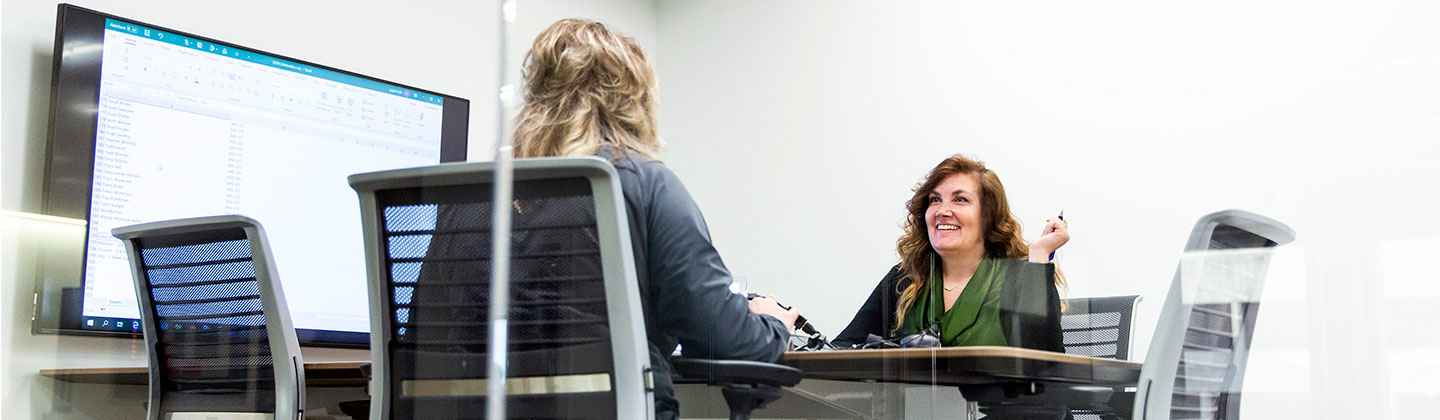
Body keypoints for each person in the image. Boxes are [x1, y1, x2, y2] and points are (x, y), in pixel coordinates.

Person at [513, 19, 799, 419]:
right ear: (635, 100)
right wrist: (772, 322)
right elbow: (728, 341)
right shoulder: (644, 184)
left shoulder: (471, 199)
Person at [832, 155, 1067, 350]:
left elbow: (1043, 366)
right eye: (935, 200)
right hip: (914, 406)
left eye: (960, 199)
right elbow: (843, 348)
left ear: (988, 216)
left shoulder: (1018, 278)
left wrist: (1038, 256)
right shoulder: (905, 279)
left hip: (997, 407)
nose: (942, 211)